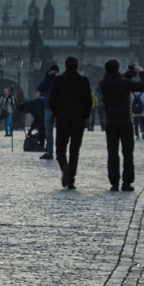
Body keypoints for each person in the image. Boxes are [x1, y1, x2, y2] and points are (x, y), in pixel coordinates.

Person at [97, 59, 144, 192]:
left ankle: (114, 182)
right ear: (118, 69)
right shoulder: (125, 83)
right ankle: (127, 182)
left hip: (111, 122)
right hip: (125, 121)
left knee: (112, 153)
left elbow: (114, 82)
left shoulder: (103, 84)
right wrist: (141, 72)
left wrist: (122, 75)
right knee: (127, 153)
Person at [49, 57, 93, 189]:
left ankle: (64, 167)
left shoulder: (59, 80)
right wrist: (85, 115)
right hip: (78, 121)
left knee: (60, 150)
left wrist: (57, 114)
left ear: (65, 66)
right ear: (78, 66)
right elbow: (88, 101)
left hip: (63, 119)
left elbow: (52, 100)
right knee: (74, 151)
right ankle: (72, 179)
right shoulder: (83, 80)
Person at [38, 64, 60, 160]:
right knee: (48, 132)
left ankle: (60, 152)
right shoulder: (48, 80)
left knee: (60, 132)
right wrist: (47, 78)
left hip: (58, 108)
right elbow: (40, 87)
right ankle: (49, 152)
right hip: (48, 107)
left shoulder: (60, 80)